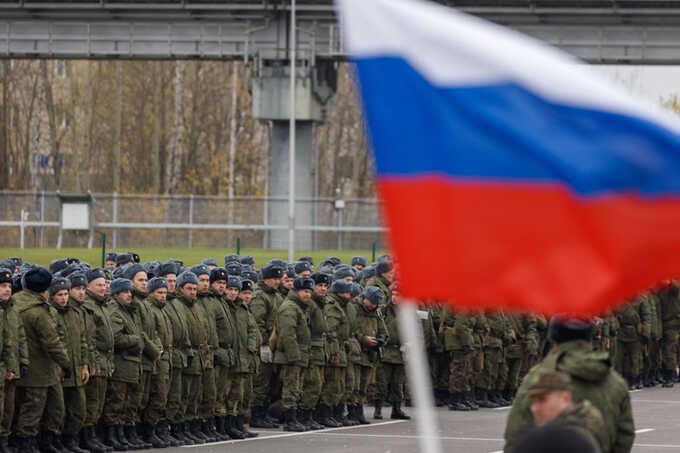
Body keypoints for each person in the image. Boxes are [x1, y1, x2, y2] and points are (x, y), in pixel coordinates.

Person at [504, 317, 635, 453]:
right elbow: (625, 435)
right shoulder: (614, 381)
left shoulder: (538, 377)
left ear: (554, 340)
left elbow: (515, 433)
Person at [14, 267, 71, 453]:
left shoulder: (15, 303)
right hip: (39, 369)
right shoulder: (38, 311)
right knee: (34, 409)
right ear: (45, 289)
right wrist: (66, 364)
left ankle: (45, 441)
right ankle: (28, 444)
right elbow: (52, 342)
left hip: (34, 367)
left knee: (51, 407)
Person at [102, 278, 145, 452]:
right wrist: (135, 340)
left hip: (131, 363)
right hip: (121, 362)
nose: (129, 295)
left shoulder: (129, 311)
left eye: (130, 292)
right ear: (116, 294)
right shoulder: (115, 311)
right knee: (116, 402)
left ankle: (122, 433)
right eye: (125, 292)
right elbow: (115, 338)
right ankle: (112, 434)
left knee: (128, 402)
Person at [526, 370, 608, 452]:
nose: (534, 408)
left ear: (566, 398)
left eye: (542, 399)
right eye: (533, 401)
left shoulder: (574, 437)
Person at [273, 277, 313, 432]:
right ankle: (290, 420)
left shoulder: (300, 307)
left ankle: (293, 418)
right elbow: (288, 334)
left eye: (309, 291)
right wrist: (294, 357)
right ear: (296, 291)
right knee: (291, 388)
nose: (308, 294)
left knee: (297, 388)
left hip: (300, 355)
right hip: (292, 357)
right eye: (304, 291)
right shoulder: (290, 308)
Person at [81, 269, 115, 452]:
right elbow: (90, 339)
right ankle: (88, 437)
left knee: (100, 401)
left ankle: (94, 436)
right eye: (99, 285)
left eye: (104, 284)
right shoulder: (89, 306)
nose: (103, 288)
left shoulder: (102, 305)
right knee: (92, 401)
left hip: (105, 360)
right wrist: (92, 363)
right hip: (96, 360)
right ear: (89, 286)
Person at [347, 286, 387, 425]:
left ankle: (359, 410)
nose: (374, 306)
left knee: (364, 385)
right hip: (356, 351)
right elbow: (351, 329)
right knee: (354, 384)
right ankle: (352, 411)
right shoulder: (354, 308)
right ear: (365, 299)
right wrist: (364, 339)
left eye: (376, 303)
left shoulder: (377, 312)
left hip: (370, 354)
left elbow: (383, 330)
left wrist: (381, 339)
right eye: (372, 302)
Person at [375, 283, 409, 420]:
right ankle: (378, 409)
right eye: (393, 294)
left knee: (398, 383)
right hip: (386, 351)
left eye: (398, 295)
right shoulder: (383, 311)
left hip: (402, 351)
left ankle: (397, 409)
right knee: (382, 382)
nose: (395, 298)